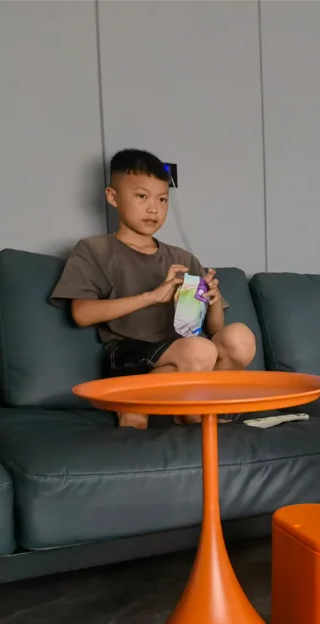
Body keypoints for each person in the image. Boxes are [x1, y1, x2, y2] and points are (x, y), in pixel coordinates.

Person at [50, 149, 256, 429]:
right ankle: (175, 407)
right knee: (201, 351)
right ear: (112, 197)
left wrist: (214, 300)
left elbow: (215, 328)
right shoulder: (94, 250)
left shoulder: (182, 258)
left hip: (187, 354)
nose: (153, 209)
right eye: (141, 196)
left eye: (162, 199)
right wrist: (151, 297)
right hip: (128, 353)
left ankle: (164, 404)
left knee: (240, 337)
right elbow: (82, 314)